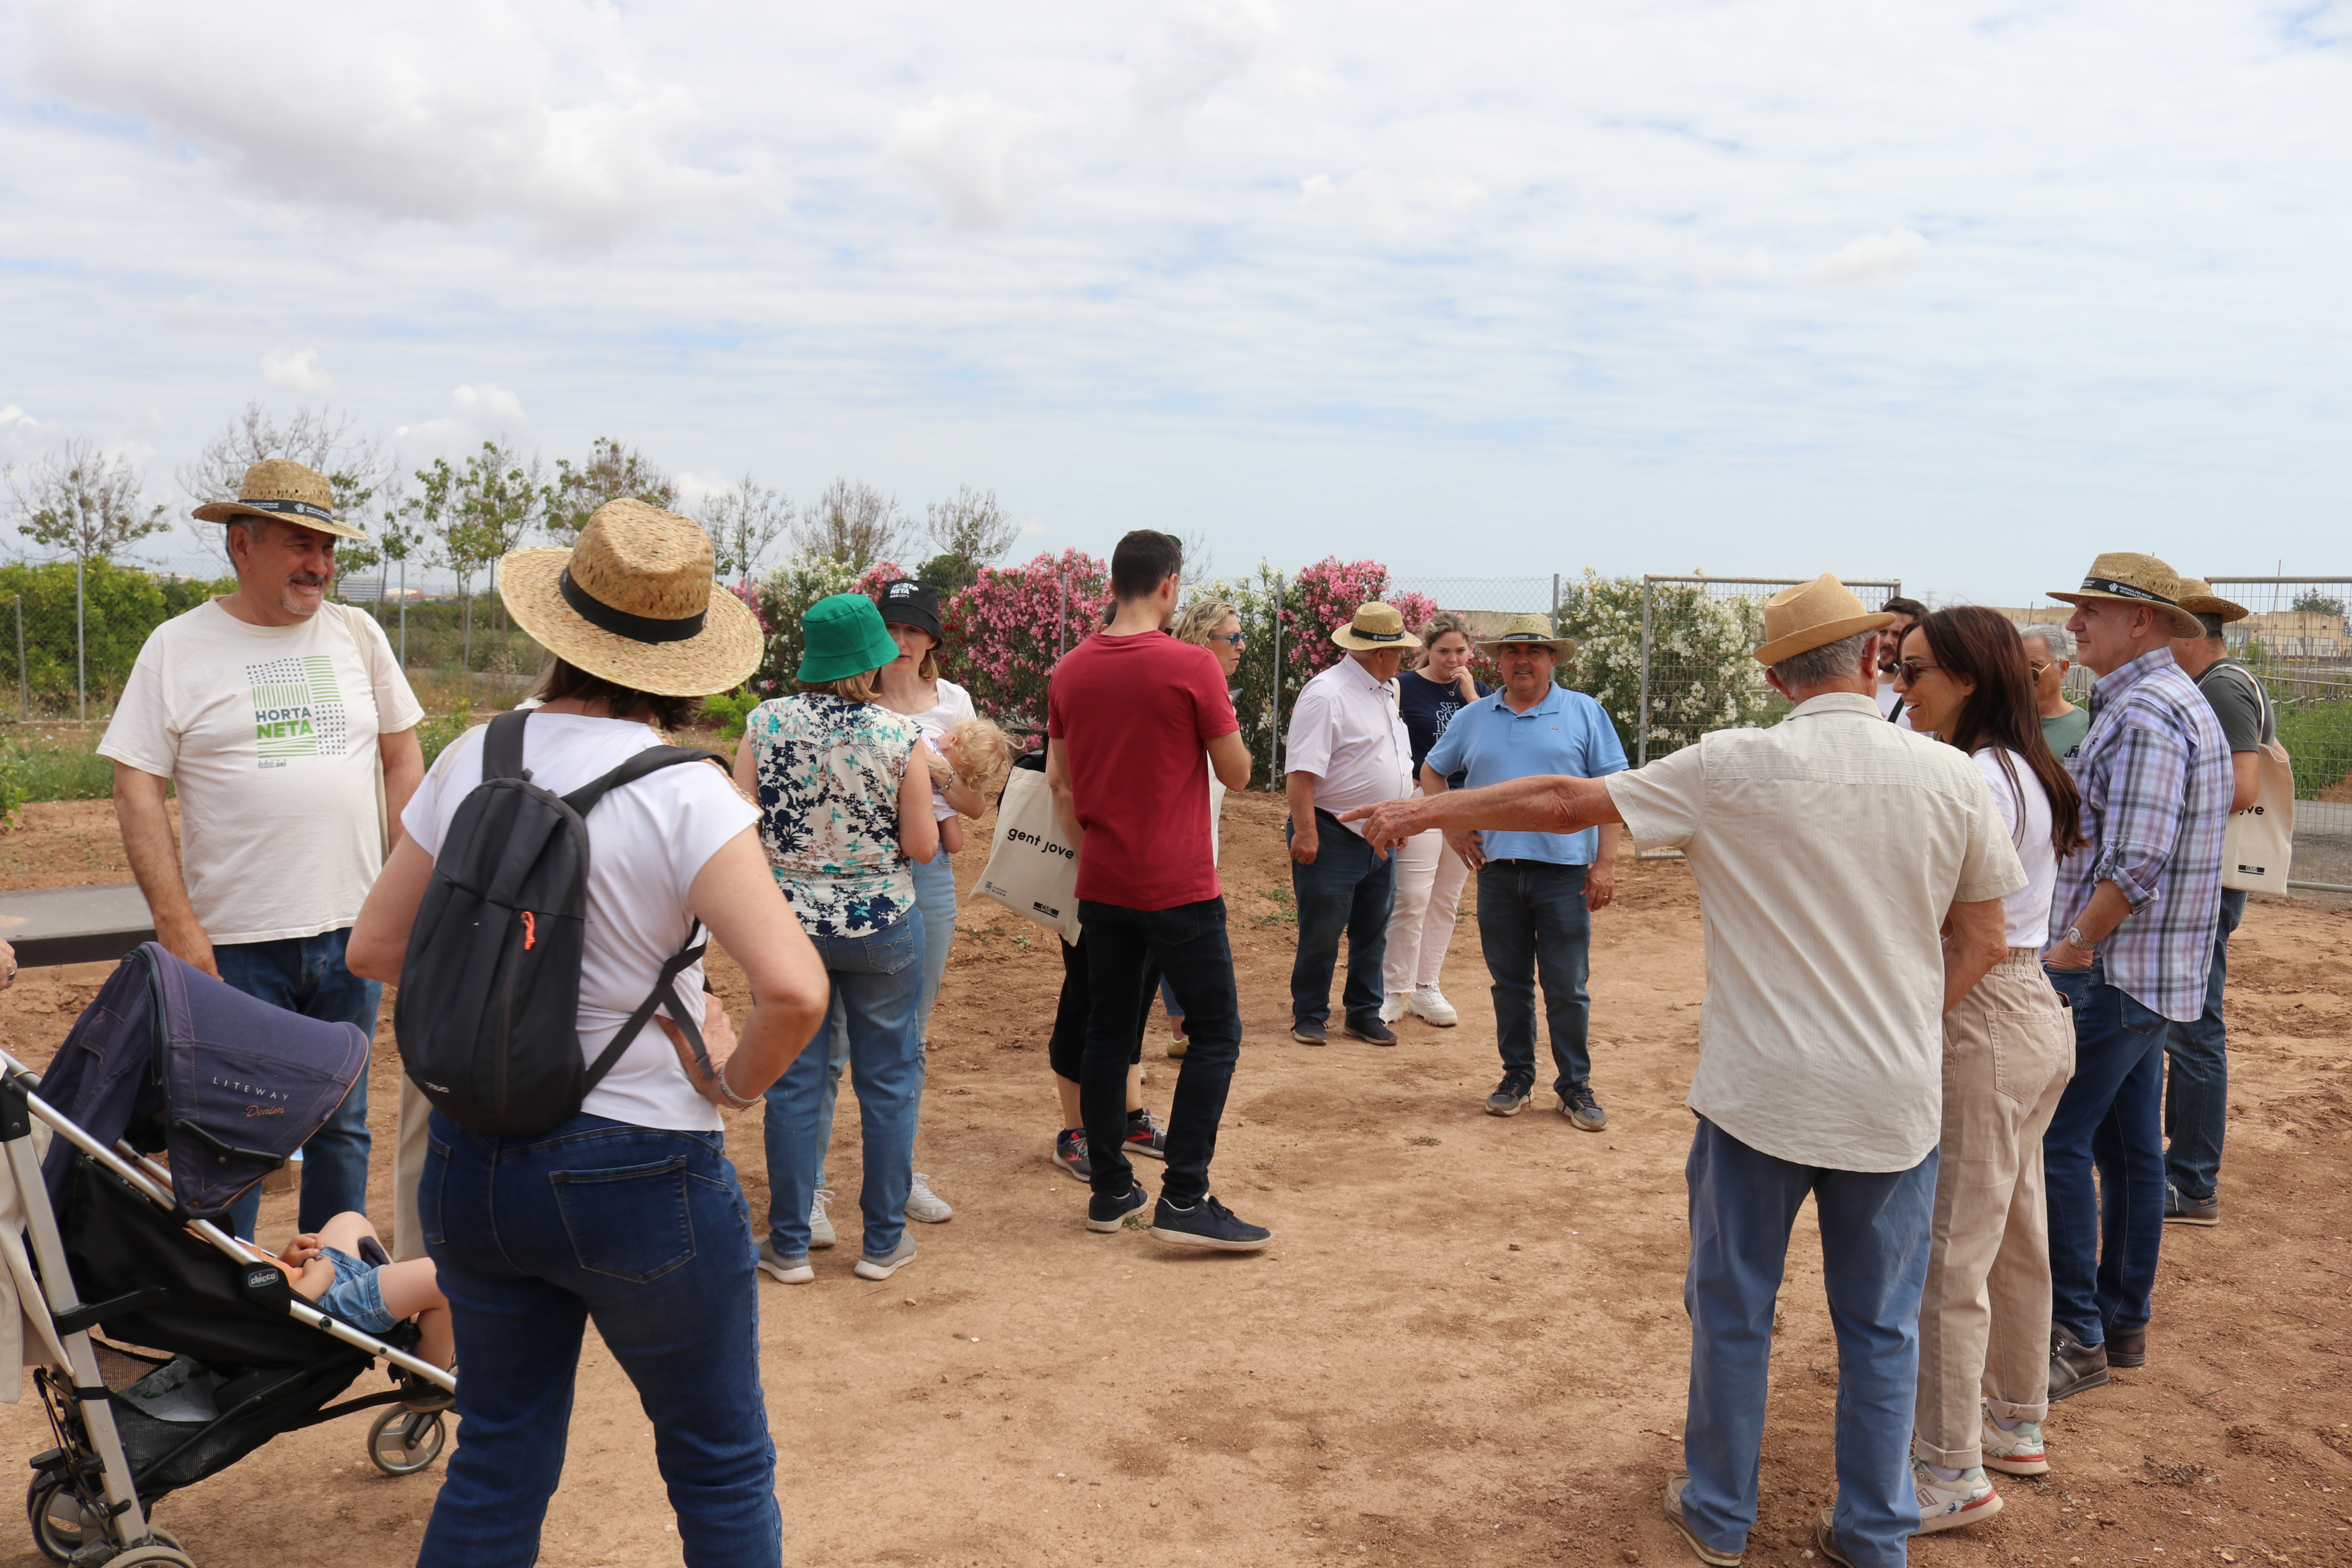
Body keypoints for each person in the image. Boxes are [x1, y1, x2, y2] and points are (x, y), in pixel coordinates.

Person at [1343, 573, 2023, 1568]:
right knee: (1882, 1329)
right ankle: (1875, 1533)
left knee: (1734, 1309)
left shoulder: (1733, 766)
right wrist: (1905, 1028)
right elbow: (1984, 937)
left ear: (1771, 674)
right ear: (1873, 658)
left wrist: (1416, 811)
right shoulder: (1951, 777)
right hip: (1890, 1100)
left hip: (1759, 1096)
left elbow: (1566, 798)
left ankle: (1718, 1514)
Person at [348, 498, 829, 1567]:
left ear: (558, 628)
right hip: (643, 1168)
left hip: (475, 1160)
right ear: (686, 665)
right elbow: (796, 992)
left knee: (500, 1454)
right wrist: (730, 1077)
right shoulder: (688, 795)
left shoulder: (477, 754)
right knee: (718, 1462)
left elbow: (374, 950)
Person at [101, 458, 425, 1242]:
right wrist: (179, 925)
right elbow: (135, 784)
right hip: (234, 947)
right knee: (230, 1135)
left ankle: (331, 1306)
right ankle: (232, 1316)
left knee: (343, 1127)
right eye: (297, 544)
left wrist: (405, 894)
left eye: (327, 546)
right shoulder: (178, 647)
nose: (318, 563)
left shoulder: (359, 633)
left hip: (351, 938)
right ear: (239, 544)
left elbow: (401, 757)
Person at [1890, 607, 2083, 1534]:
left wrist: (1903, 1019)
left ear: (1969, 676)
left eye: (1917, 667)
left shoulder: (1971, 773)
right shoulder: (2019, 765)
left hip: (1986, 1012)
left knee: (1951, 1255)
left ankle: (1949, 1469)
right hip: (2030, 1009)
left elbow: (1960, 923)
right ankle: (2013, 1420)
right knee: (2012, 1234)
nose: (1902, 684)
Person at [2040, 554, 2231, 1402]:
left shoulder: (2148, 713)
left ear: (2142, 621)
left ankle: (2076, 1334)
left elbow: (2140, 856)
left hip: (2114, 972)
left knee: (2054, 1144)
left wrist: (2075, 945)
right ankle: (2121, 1325)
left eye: (2091, 611)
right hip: (2149, 973)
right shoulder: (2158, 702)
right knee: (2126, 1149)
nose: (2076, 625)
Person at [1045, 530, 1267, 1249]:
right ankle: (1185, 1195)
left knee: (1109, 1034)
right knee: (1218, 1032)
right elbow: (1236, 774)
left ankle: (1110, 1190)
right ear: (1170, 585)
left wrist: (1097, 851)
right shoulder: (1193, 666)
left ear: (1115, 583)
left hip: (1103, 882)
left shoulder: (1069, 672)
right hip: (1178, 883)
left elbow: (1059, 782)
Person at [742, 593, 944, 1285]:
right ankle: (884, 1241)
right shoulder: (896, 736)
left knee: (797, 1082)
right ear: (873, 659)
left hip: (788, 925)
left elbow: (740, 823)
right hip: (881, 924)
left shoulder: (764, 723)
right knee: (888, 1079)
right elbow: (922, 845)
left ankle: (791, 1244)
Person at [797, 578, 984, 1241]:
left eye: (913, 630)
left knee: (911, 1034)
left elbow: (974, 806)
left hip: (926, 875)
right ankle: (812, 1188)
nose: (901, 642)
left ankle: (897, 1177)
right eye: (892, 629)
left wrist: (936, 771)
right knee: (832, 1040)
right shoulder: (855, 695)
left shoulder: (955, 704)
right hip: (854, 875)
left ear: (932, 638)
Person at [1422, 614, 1625, 1127]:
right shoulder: (1475, 717)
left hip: (1565, 875)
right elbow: (1432, 770)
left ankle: (1574, 1084)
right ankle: (1517, 1076)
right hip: (1498, 873)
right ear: (1497, 661)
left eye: (1534, 652)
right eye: (1512, 653)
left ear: (1553, 659)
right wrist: (1450, 827)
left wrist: (1605, 865)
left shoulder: (1584, 713)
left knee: (1567, 986)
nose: (1523, 661)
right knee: (1509, 985)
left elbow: (1613, 795)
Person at [2159, 580, 2264, 1229]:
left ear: (2188, 637)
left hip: (2207, 881)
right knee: (2190, 1024)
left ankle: (2193, 1183)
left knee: (2194, 1028)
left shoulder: (2221, 686)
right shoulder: (2223, 682)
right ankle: (2186, 1174)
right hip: (2209, 879)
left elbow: (2241, 786)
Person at [1281, 603, 1419, 1047]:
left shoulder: (1384, 690)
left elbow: (1391, 761)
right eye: (1400, 650)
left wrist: (1396, 816)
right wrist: (1306, 830)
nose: (1404, 658)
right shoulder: (1327, 693)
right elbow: (1302, 770)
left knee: (1373, 928)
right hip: (1332, 830)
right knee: (1322, 929)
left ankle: (1363, 1011)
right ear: (1380, 654)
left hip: (1378, 832)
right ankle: (1310, 1012)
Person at [1377, 612, 1492, 1029]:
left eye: (1461, 650)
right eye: (1444, 651)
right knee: (1412, 896)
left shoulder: (1478, 692)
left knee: (1446, 900)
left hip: (1466, 800)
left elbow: (1495, 736)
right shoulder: (1403, 687)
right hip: (1422, 796)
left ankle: (1427, 986)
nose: (1452, 658)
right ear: (1428, 649)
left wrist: (1469, 693)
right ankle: (1392, 990)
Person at [1158, 596, 1247, 1059]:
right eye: (1232, 638)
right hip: (1171, 853)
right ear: (1201, 640)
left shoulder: (1217, 696)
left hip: (1197, 846)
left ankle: (1180, 1030)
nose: (1242, 646)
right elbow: (1239, 773)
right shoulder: (1185, 692)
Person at [246, 1210, 452, 1380]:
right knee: (441, 1280)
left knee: (350, 1221)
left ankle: (415, 1319)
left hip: (304, 1281)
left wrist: (284, 1262)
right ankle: (430, 1381)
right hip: (307, 1310)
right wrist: (316, 1280)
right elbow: (264, 1319)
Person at [2020, 624, 2091, 759]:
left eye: (2034, 667)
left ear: (2063, 669)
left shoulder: (2088, 730)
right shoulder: (2000, 722)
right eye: (2018, 667)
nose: (2024, 676)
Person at [1873, 596, 1929, 722]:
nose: (1887, 641)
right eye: (1883, 632)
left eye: (1897, 634)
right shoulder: (1860, 689)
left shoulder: (1922, 700)